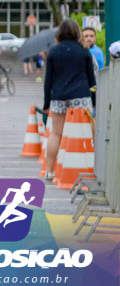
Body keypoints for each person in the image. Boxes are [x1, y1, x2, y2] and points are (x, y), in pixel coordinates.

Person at [42, 18, 97, 183]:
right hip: (80, 97)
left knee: (56, 133)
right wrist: (93, 100)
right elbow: (91, 79)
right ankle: (92, 168)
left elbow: (48, 81)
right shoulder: (83, 51)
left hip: (59, 97)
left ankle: (49, 171)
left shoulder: (53, 52)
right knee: (88, 133)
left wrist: (46, 104)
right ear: (76, 32)